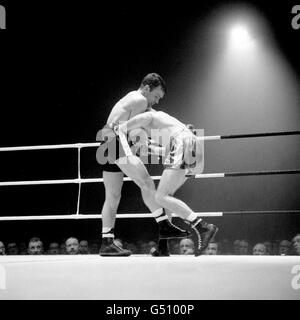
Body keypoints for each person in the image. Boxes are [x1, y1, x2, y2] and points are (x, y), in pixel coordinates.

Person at [96, 73, 189, 257]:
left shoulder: (133, 99)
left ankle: (107, 242)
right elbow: (150, 121)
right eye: (156, 96)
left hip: (106, 141)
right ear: (146, 87)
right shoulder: (139, 100)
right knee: (146, 182)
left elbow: (153, 117)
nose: (156, 101)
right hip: (116, 140)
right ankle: (164, 226)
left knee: (113, 196)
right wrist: (181, 129)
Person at [118, 109, 218, 256]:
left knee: (160, 197)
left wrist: (121, 128)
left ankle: (203, 227)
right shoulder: (167, 125)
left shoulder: (151, 115)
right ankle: (163, 246)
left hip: (181, 143)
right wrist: (148, 148)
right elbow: (166, 150)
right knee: (167, 198)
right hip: (188, 145)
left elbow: (148, 116)